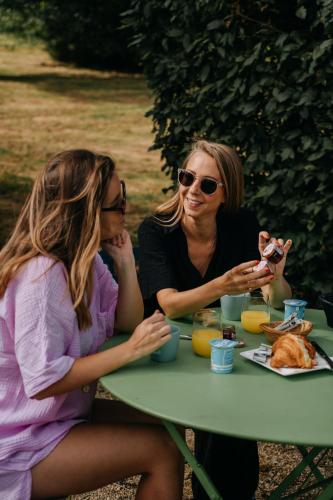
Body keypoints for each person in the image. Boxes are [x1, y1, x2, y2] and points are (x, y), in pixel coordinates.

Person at [0, 149, 184, 500]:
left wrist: (126, 261)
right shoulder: (42, 277)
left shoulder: (85, 261)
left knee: (167, 425)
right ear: (84, 213)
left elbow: (126, 320)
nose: (125, 208)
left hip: (57, 417)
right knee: (161, 450)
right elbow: (42, 380)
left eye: (124, 195)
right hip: (17, 440)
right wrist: (131, 351)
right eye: (116, 203)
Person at [138, 139, 292, 500]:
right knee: (220, 410)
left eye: (207, 185)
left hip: (220, 351)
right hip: (165, 353)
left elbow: (276, 301)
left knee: (228, 421)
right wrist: (222, 285)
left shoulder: (240, 225)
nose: (193, 190)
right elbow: (170, 305)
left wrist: (276, 274)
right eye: (187, 177)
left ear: (226, 193)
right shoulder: (156, 229)